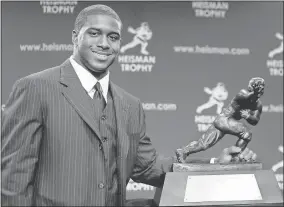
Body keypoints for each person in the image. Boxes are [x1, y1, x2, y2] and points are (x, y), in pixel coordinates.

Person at [1, 4, 258, 206]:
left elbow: (147, 167)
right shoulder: (35, 88)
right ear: (74, 37)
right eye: (94, 33)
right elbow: (13, 179)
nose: (104, 43)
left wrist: (215, 164)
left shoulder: (130, 105)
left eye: (113, 37)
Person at [176, 77, 264, 163]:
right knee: (247, 134)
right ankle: (234, 157)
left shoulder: (258, 105)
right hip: (224, 119)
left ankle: (183, 151)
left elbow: (255, 121)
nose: (260, 90)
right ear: (251, 88)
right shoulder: (242, 93)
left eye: (261, 88)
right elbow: (247, 97)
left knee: (203, 144)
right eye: (257, 87)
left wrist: (248, 116)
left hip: (223, 122)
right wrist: (255, 93)